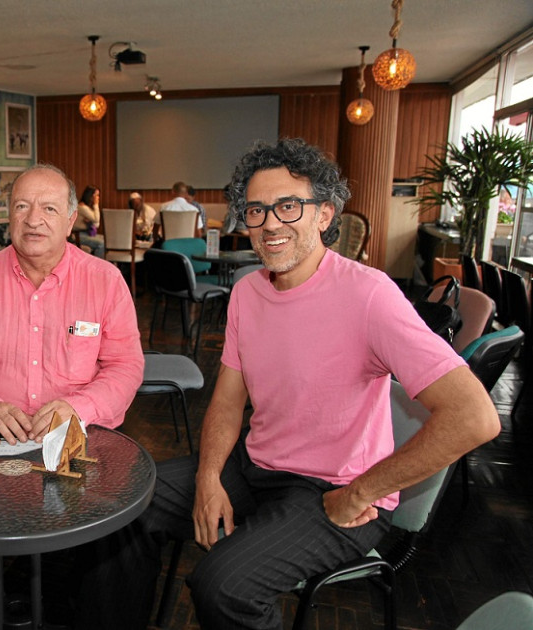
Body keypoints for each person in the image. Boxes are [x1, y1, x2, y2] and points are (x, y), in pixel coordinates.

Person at [91, 138, 501, 630]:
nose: (270, 224)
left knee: (222, 586)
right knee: (120, 508)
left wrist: (361, 491)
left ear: (325, 214)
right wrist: (208, 478)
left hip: (334, 492)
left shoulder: (369, 295)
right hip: (255, 465)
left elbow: (474, 417)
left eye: (289, 206)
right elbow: (225, 402)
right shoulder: (246, 293)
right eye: (257, 210)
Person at [0, 164, 144, 445]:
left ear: (70, 221)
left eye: (49, 209)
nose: (34, 220)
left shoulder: (105, 282)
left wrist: (79, 408)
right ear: (9, 215)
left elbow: (125, 365)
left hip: (81, 435)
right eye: (22, 206)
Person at [73, 185, 105, 257]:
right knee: (101, 243)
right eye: (96, 195)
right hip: (78, 235)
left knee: (105, 239)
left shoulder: (87, 208)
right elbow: (96, 219)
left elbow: (97, 224)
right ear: (90, 196)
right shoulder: (82, 207)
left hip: (86, 233)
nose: (98, 198)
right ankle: (97, 266)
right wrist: (96, 204)